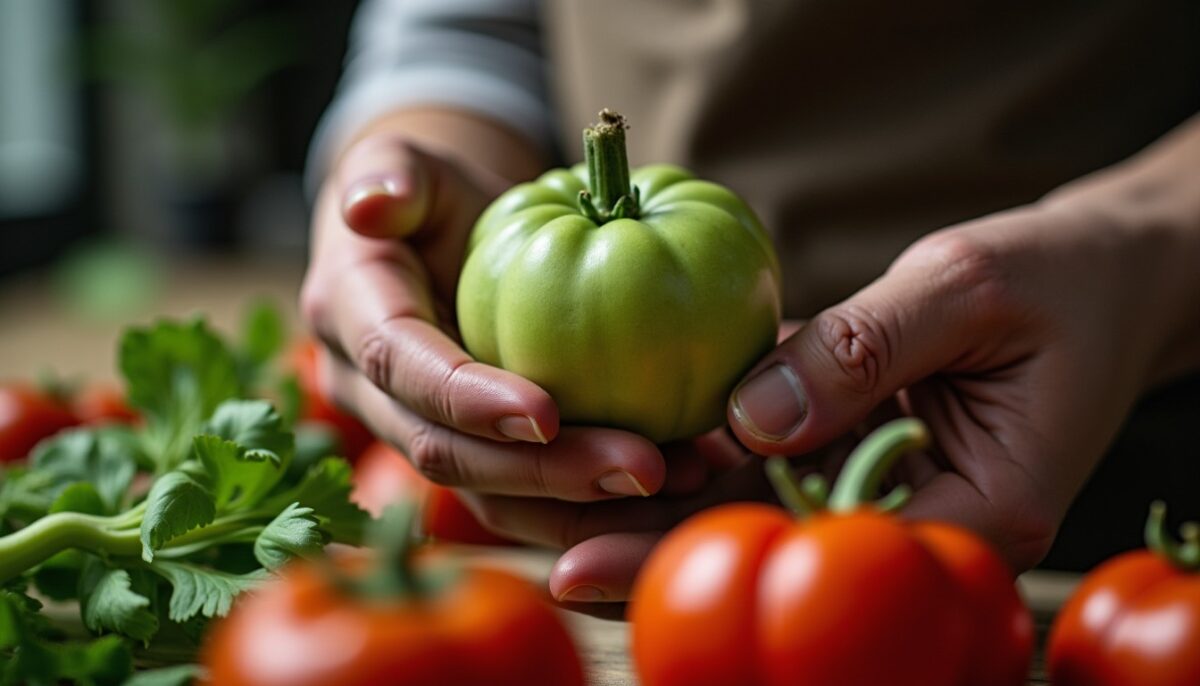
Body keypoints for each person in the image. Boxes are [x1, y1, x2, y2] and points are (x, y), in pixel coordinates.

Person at [300, 0, 1200, 603]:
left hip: (1139, 492)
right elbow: (469, 24)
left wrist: (1151, 242)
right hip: (660, 559)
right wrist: (411, 146)